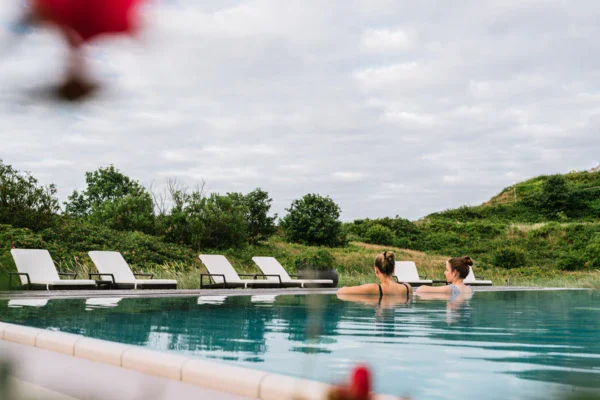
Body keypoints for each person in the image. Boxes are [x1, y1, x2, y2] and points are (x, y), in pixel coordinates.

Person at [337, 251, 412, 301]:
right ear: (393, 269)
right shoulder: (407, 288)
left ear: (376, 270)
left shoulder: (374, 289)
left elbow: (340, 292)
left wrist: (344, 288)